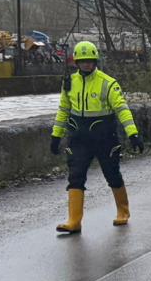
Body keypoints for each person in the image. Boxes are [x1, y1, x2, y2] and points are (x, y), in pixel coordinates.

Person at [50, 41, 143, 234]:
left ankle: (123, 211)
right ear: (76, 62)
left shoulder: (108, 83)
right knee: (75, 176)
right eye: (83, 61)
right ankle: (74, 221)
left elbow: (122, 109)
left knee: (112, 174)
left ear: (95, 61)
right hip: (79, 138)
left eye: (90, 61)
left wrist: (133, 134)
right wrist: (56, 136)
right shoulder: (69, 83)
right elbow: (63, 110)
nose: (87, 64)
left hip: (105, 138)